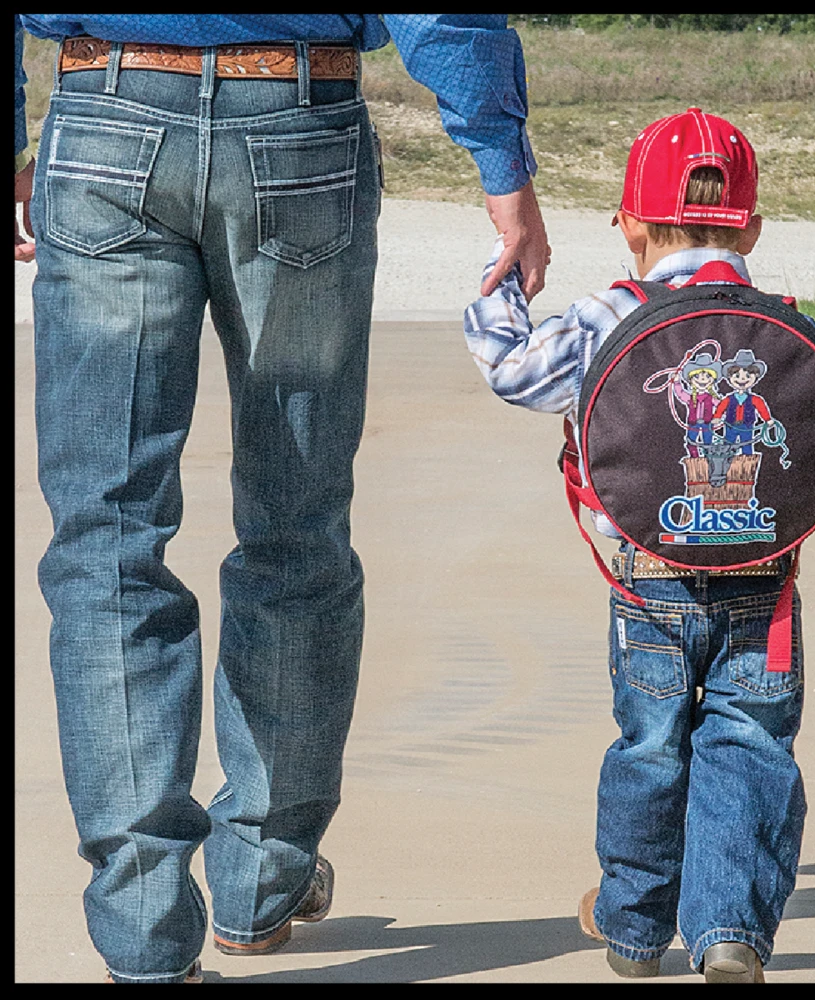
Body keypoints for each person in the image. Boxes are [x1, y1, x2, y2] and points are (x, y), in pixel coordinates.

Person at [14, 14, 549, 984]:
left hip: (102, 120)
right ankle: (261, 876)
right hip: (293, 121)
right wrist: (499, 156)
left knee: (105, 540)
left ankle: (141, 928)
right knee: (295, 527)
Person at [463, 107, 815, 982]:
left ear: (629, 221)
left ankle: (633, 931)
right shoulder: (785, 325)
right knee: (748, 744)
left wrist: (499, 288)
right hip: (764, 586)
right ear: (750, 224)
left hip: (646, 583)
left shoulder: (610, 315)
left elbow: (514, 373)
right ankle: (730, 931)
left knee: (648, 746)